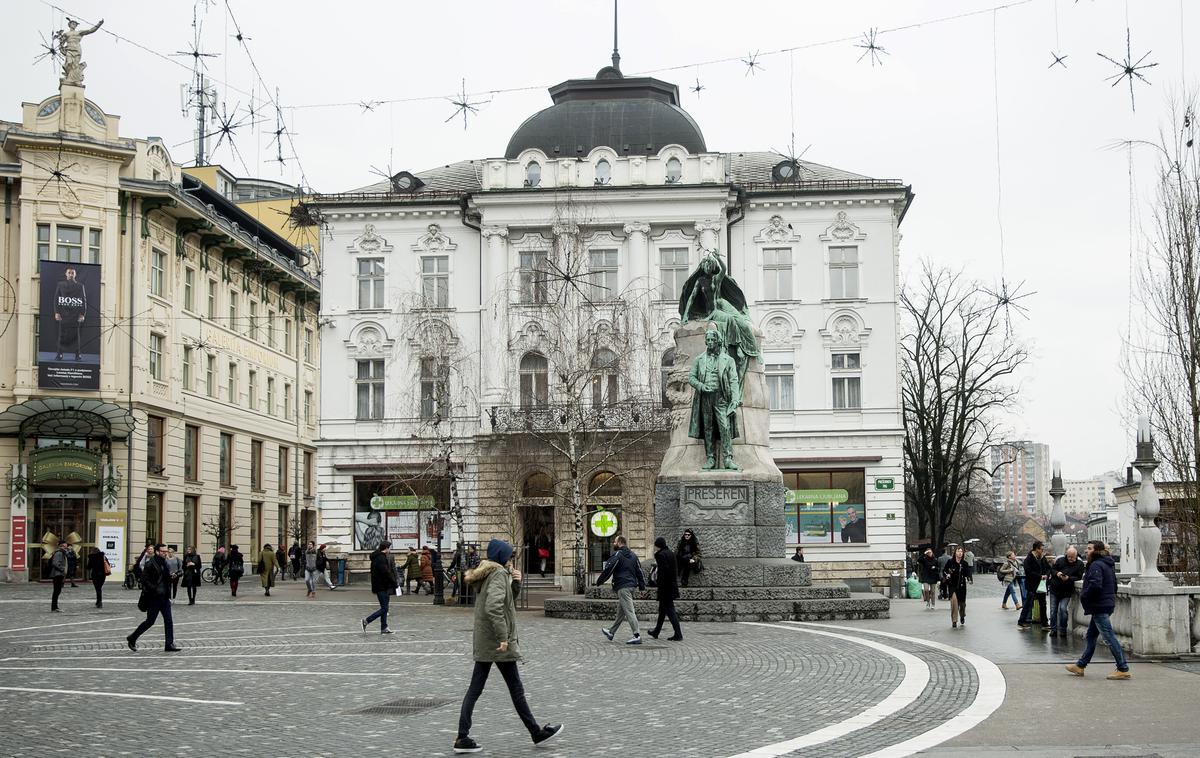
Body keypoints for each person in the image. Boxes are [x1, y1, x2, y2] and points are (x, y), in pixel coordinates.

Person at [453, 538, 563, 754]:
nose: (512, 559)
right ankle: (535, 732)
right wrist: (503, 638)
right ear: (502, 557)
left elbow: (507, 600)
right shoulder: (497, 575)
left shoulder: (491, 574)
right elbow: (494, 607)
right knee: (514, 689)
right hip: (497, 644)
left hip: (487, 642)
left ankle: (462, 737)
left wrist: (516, 582)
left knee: (477, 689)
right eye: (510, 556)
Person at [1065, 540, 1130, 680]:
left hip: (1099, 605)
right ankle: (1080, 665)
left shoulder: (1096, 565)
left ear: (1096, 551)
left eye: (1089, 548)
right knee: (1091, 636)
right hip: (1106, 603)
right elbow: (1113, 585)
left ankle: (1123, 668)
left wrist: (1084, 596)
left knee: (1108, 636)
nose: (1086, 551)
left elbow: (1095, 585)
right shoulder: (1107, 564)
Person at [126, 543, 180, 652]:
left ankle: (169, 644)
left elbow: (166, 579)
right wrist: (154, 589)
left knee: (169, 620)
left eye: (166, 551)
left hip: (164, 597)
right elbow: (144, 580)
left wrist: (174, 576)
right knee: (150, 621)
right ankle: (132, 637)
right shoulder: (150, 564)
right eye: (163, 551)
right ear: (157, 552)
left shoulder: (165, 563)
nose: (165, 553)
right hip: (154, 598)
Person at [595, 534, 646, 645]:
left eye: (614, 542)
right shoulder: (633, 555)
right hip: (631, 586)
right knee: (621, 612)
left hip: (623, 586)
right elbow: (639, 571)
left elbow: (609, 569)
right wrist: (642, 586)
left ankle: (637, 635)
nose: (613, 543)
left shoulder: (618, 555)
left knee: (629, 611)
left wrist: (599, 581)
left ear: (619, 543)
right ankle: (611, 632)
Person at [647, 537, 683, 641]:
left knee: (670, 610)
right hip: (671, 585)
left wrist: (657, 583)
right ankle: (656, 631)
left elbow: (663, 572)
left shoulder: (660, 555)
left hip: (665, 587)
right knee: (662, 610)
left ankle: (678, 634)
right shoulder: (670, 553)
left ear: (658, 545)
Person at [361, 540, 398, 634]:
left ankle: (384, 627)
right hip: (381, 586)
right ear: (386, 548)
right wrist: (394, 583)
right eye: (389, 548)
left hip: (381, 586)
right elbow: (386, 573)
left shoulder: (378, 557)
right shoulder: (381, 558)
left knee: (385, 607)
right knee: (385, 608)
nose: (390, 550)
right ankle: (367, 621)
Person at [1048, 545, 1085, 637]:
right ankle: (1053, 629)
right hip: (1055, 588)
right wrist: (1058, 573)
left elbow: (1079, 577)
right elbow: (1052, 570)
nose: (1070, 559)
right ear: (1066, 555)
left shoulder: (1080, 564)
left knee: (1063, 609)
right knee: (1053, 611)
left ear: (1076, 556)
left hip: (1067, 591)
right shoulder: (1060, 561)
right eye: (1068, 556)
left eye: (1072, 557)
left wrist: (1069, 578)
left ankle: (1063, 629)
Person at [52, 266, 87, 361]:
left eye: (73, 273)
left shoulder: (80, 286)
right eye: (69, 273)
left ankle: (77, 355)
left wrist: (82, 314)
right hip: (63, 314)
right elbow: (56, 299)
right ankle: (59, 354)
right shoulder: (60, 284)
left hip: (75, 315)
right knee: (61, 335)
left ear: (75, 274)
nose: (71, 275)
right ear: (66, 274)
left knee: (76, 336)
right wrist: (56, 312)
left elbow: (83, 301)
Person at [1017, 541, 1048, 630]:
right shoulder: (1029, 559)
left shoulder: (1042, 558)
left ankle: (1044, 623)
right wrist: (1040, 576)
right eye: (1041, 549)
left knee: (1043, 604)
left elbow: (1048, 568)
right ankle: (1021, 621)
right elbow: (1028, 572)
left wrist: (1046, 575)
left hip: (1041, 584)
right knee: (1028, 604)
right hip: (1032, 585)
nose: (1042, 551)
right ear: (1036, 549)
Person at [942, 546, 971, 628]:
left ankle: (962, 615)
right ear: (955, 553)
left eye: (961, 551)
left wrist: (969, 578)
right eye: (958, 551)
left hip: (962, 586)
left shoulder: (964, 563)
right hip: (952, 586)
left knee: (962, 605)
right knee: (954, 603)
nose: (960, 553)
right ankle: (954, 621)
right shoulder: (950, 562)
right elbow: (944, 570)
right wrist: (947, 574)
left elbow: (968, 573)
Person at [48, 541, 70, 612]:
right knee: (56, 591)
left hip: (60, 574)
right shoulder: (59, 553)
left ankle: (55, 607)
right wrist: (62, 569)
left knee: (58, 590)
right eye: (65, 546)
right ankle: (54, 607)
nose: (66, 548)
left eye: (66, 546)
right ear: (61, 546)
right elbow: (55, 563)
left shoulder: (62, 553)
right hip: (57, 574)